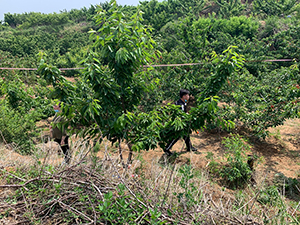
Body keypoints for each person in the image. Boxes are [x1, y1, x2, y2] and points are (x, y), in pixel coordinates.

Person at [164, 89, 197, 156]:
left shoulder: (182, 102)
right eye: (187, 95)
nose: (188, 96)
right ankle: (167, 149)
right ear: (183, 96)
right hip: (179, 123)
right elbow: (182, 115)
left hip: (180, 122)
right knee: (176, 136)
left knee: (186, 134)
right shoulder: (180, 105)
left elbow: (184, 112)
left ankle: (189, 147)